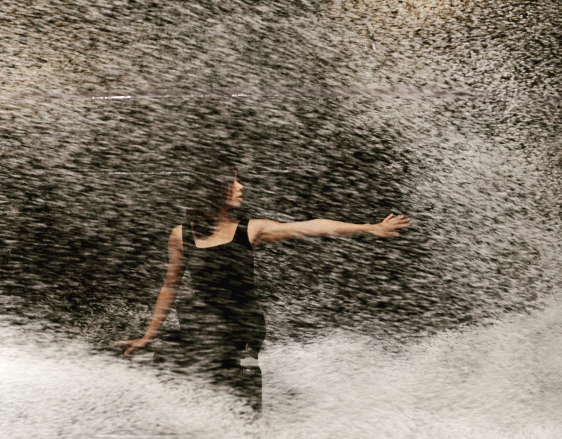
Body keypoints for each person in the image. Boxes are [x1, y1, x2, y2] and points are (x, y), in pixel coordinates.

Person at [113, 162, 410, 417]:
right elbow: (170, 286)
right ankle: (195, 434)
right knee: (176, 365)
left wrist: (368, 227)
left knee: (238, 379)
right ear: (215, 191)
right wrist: (149, 335)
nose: (241, 186)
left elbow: (311, 226)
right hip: (200, 324)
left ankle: (249, 438)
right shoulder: (181, 236)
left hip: (241, 324)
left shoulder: (251, 230)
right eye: (234, 182)